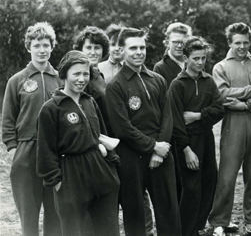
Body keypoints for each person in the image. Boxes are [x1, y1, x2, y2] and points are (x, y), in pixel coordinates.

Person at [106, 27, 181, 236]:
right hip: (132, 158)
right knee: (135, 214)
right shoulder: (115, 86)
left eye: (142, 47)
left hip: (162, 154)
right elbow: (122, 128)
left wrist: (160, 149)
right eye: (133, 48)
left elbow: (168, 117)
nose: (139, 52)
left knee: (169, 210)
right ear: (122, 50)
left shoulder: (157, 79)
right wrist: (152, 146)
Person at [36, 50, 120, 236]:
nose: (82, 79)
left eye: (85, 74)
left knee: (106, 229)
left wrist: (112, 165)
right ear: (65, 74)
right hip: (70, 174)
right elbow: (45, 150)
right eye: (76, 74)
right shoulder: (51, 108)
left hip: (99, 170)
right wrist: (56, 181)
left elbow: (102, 134)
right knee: (75, 230)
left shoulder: (89, 101)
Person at [209, 22, 251, 236]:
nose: (242, 47)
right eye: (237, 42)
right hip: (233, 125)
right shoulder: (221, 67)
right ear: (229, 42)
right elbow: (221, 95)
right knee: (227, 174)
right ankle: (219, 221)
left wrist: (245, 104)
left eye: (246, 42)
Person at [1, 22, 61, 236]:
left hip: (55, 153)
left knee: (56, 213)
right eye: (37, 45)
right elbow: (8, 119)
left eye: (46, 44)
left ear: (52, 47)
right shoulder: (17, 80)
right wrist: (13, 150)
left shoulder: (61, 79)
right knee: (29, 215)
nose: (42, 49)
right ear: (29, 47)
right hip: (26, 152)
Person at [168, 37, 224, 236]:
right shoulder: (177, 85)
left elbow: (219, 109)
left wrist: (198, 115)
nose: (200, 63)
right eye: (196, 58)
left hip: (206, 139)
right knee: (190, 189)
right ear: (185, 58)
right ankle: (185, 231)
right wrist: (186, 150)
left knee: (209, 182)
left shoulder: (208, 81)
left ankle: (197, 227)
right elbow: (175, 121)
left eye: (203, 58)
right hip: (186, 142)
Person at [153, 22, 193, 202]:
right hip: (172, 131)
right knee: (175, 182)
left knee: (193, 180)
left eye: (183, 42)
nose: (179, 45)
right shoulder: (160, 68)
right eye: (175, 41)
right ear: (167, 42)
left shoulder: (193, 64)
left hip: (193, 127)